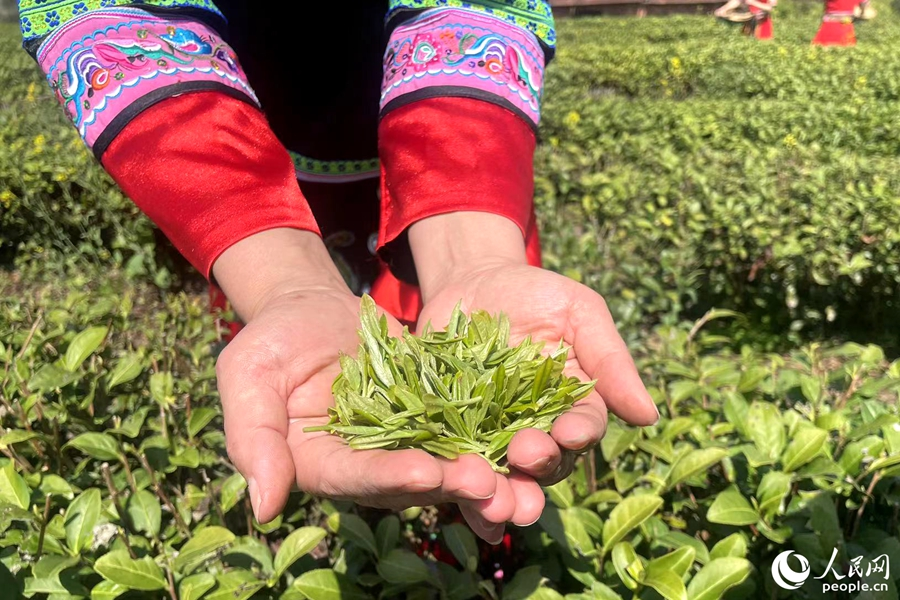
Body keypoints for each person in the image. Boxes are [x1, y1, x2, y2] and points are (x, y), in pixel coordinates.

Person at [17, 0, 659, 543]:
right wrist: (283, 283)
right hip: (238, 144)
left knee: (478, 482)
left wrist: (474, 255)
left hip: (447, 144)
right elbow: (120, 17)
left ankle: (462, 558)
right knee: (301, 374)